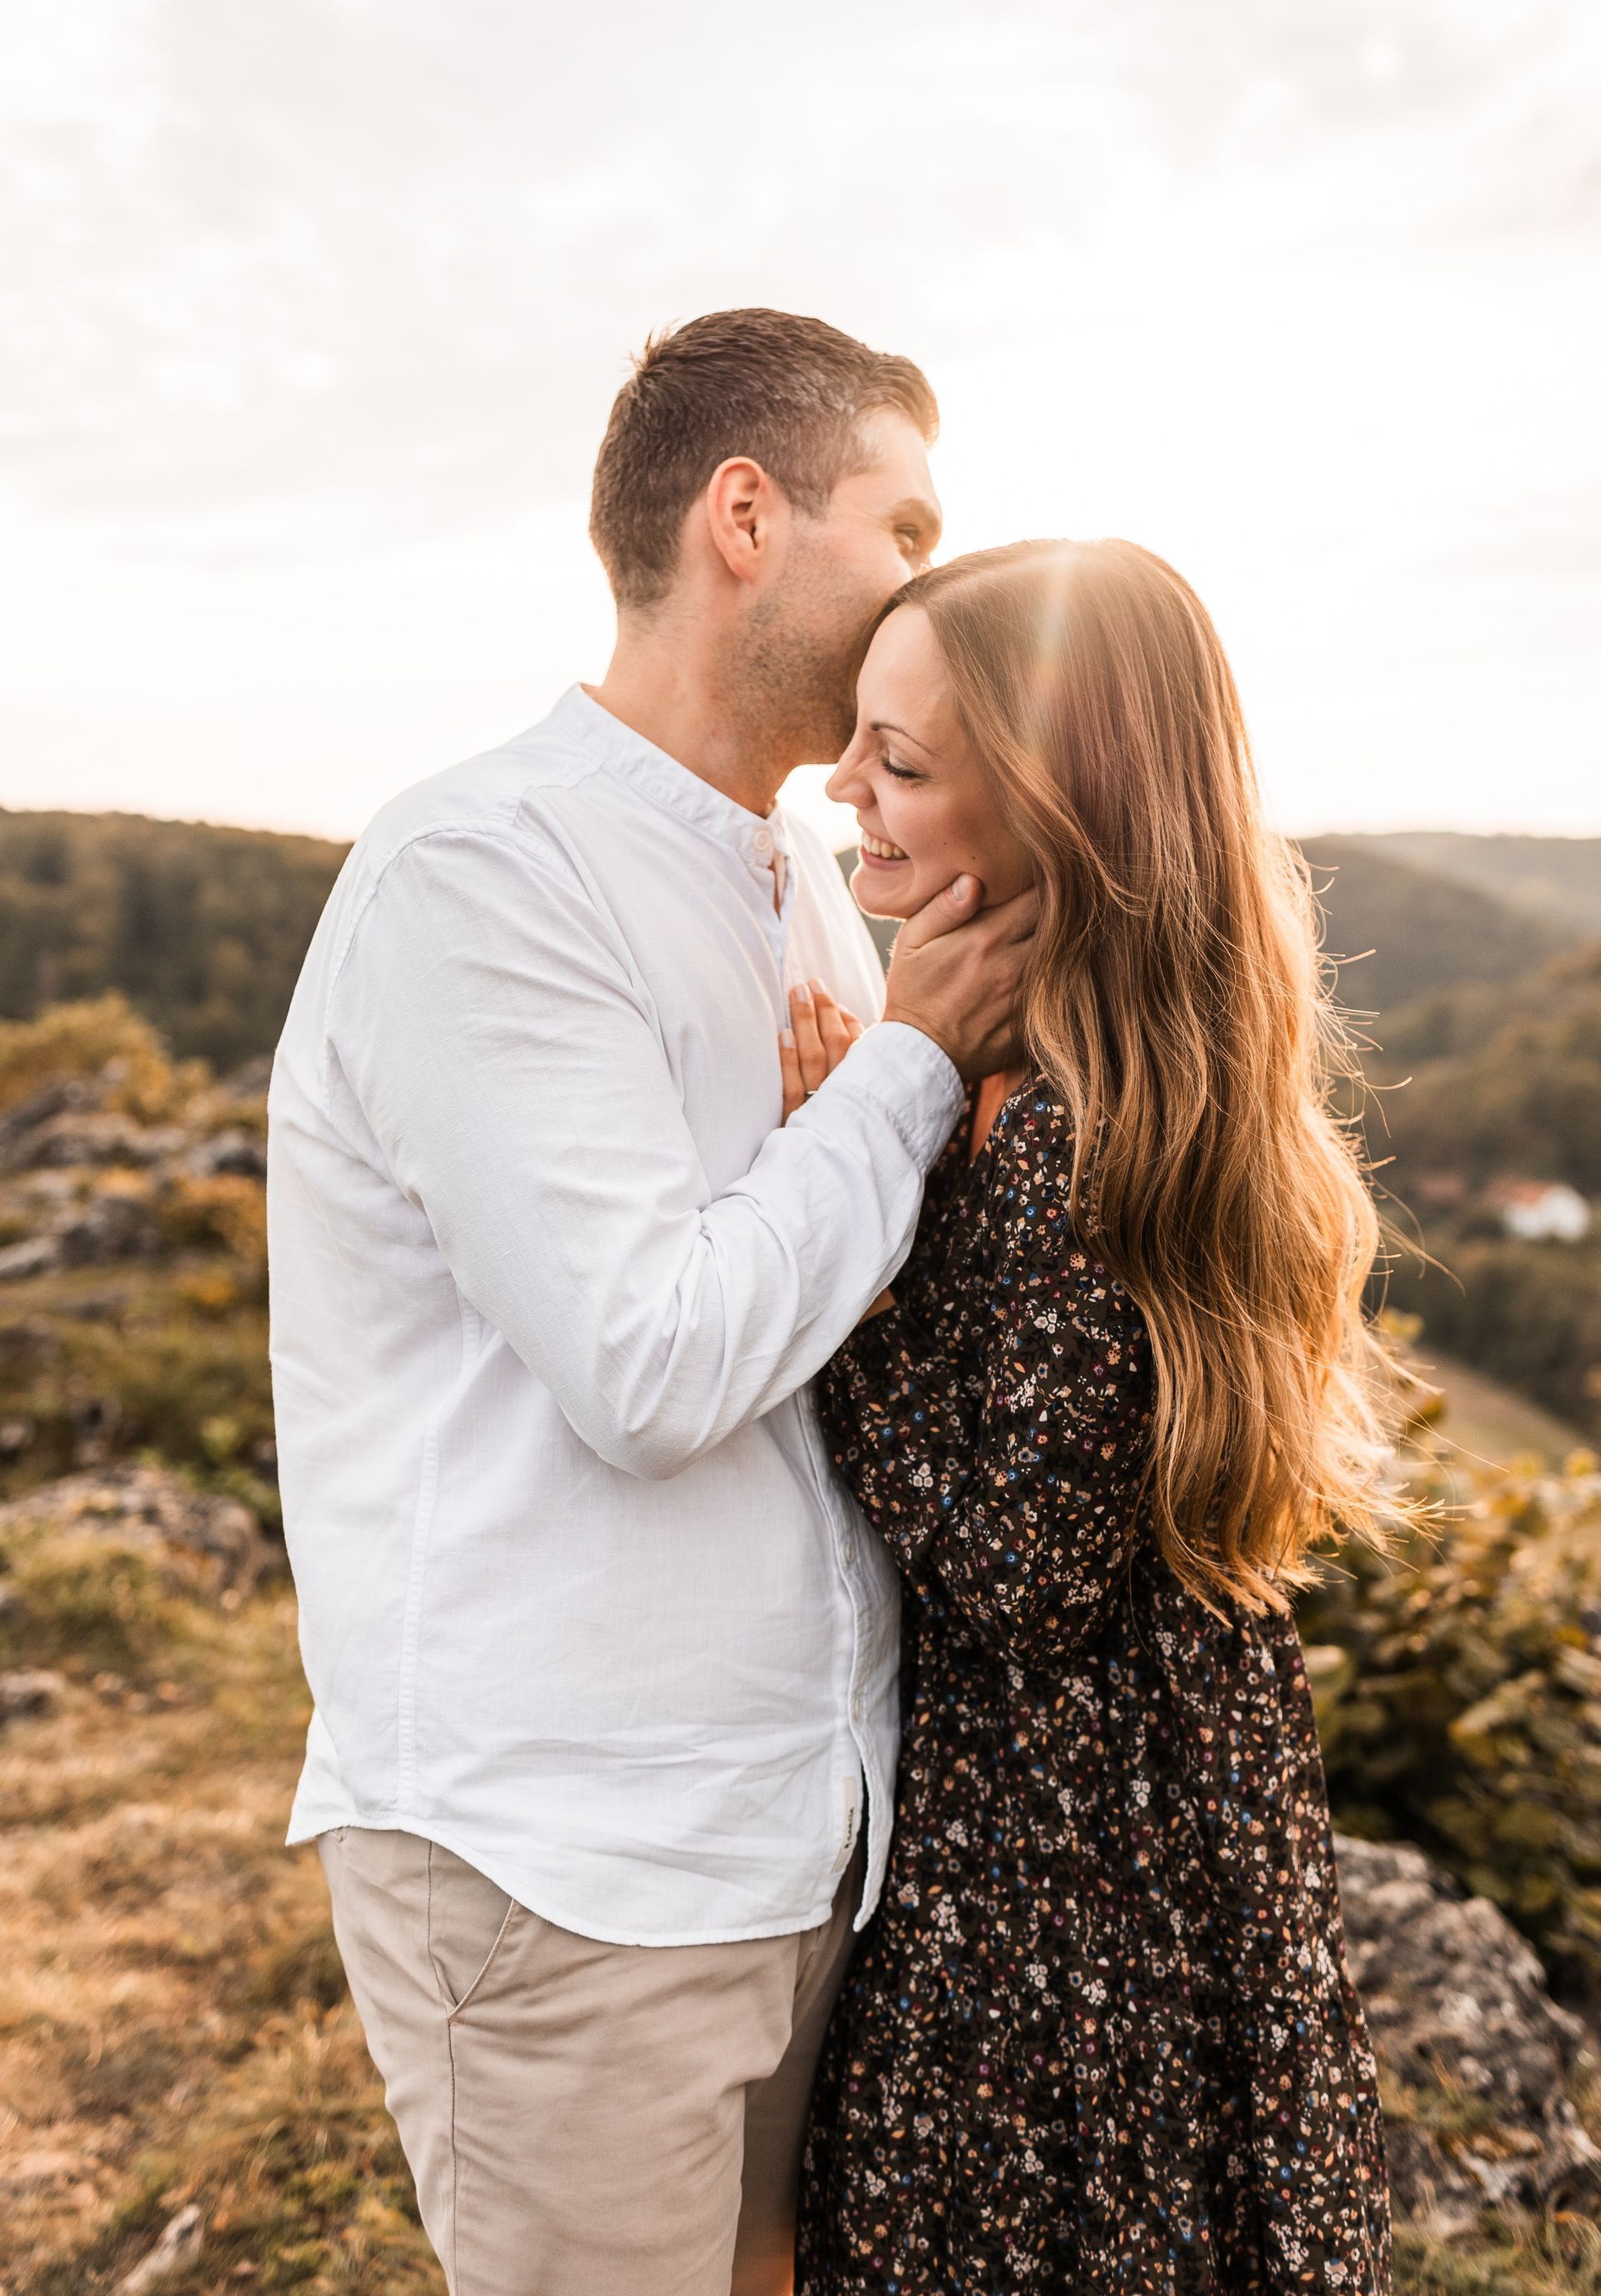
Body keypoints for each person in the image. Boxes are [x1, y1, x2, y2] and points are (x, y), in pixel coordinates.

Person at [266, 309, 1036, 2296]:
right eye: (908, 519)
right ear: (750, 518)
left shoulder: (787, 875)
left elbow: (837, 1289)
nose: (933, 574)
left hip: (798, 1836)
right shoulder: (484, 871)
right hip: (564, 1877)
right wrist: (912, 1067)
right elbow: (654, 1361)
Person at [788, 539, 1396, 2294]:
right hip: (1152, 1837)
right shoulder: (1134, 1079)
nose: (845, 790)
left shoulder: (1057, 1138)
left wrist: (855, 1260)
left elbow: (1015, 1571)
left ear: (1062, 812)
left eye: (903, 763)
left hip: (1067, 1881)